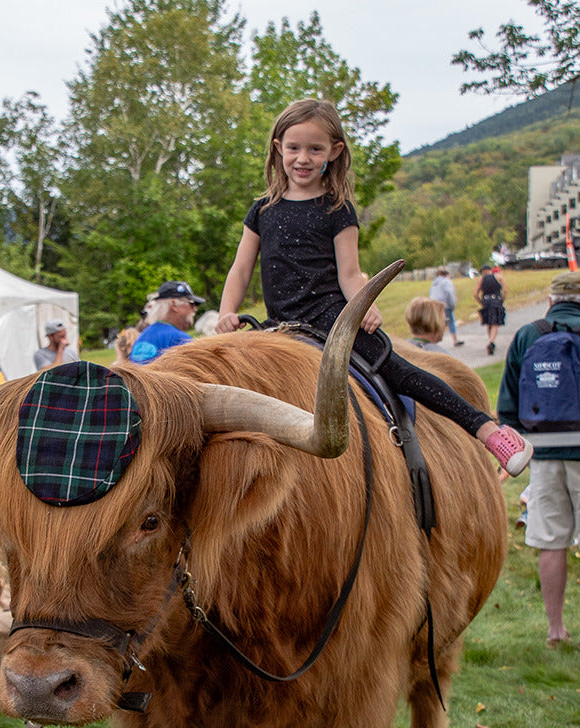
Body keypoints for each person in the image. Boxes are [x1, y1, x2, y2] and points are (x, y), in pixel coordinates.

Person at [215, 98, 532, 477]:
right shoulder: (262, 210)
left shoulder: (337, 209)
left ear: (334, 152)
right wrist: (226, 312)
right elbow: (240, 269)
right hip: (281, 323)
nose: (303, 158)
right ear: (278, 147)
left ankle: (488, 430)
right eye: (294, 147)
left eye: (315, 149)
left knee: (400, 371)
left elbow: (350, 273)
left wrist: (362, 307)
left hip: (331, 318)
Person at [497, 271, 580, 648]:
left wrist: (515, 452)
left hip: (543, 453)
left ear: (551, 300)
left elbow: (507, 406)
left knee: (551, 541)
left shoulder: (529, 334)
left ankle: (555, 629)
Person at [129, 280, 205, 364]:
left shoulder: (142, 337)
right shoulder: (180, 340)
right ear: (174, 304)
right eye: (192, 303)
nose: (195, 309)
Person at [474, 263, 506, 355]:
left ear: (483, 271)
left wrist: (481, 302)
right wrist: (502, 300)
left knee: (488, 323)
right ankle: (491, 341)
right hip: (495, 299)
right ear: (490, 270)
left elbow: (475, 294)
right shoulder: (498, 277)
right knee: (495, 323)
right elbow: (504, 290)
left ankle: (490, 340)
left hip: (486, 301)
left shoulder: (480, 279)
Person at [429, 267, 464, 347]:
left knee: (437, 322)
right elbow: (450, 294)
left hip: (434, 305)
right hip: (445, 305)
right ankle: (455, 340)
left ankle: (432, 341)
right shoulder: (446, 282)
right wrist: (452, 305)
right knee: (450, 321)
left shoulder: (434, 283)